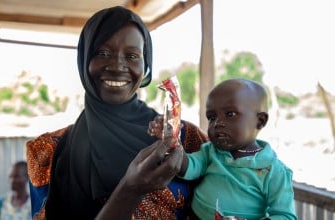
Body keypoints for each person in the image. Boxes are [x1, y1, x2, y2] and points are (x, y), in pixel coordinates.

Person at [25, 5, 208, 220]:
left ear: (145, 64)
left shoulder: (187, 139)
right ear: (84, 59)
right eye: (102, 53)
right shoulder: (46, 151)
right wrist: (130, 189)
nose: (117, 65)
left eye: (131, 55)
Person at [149, 78, 298, 220]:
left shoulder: (274, 171)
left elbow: (285, 215)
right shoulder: (210, 151)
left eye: (230, 114)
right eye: (211, 117)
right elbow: (190, 167)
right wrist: (171, 140)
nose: (218, 123)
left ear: (260, 121)